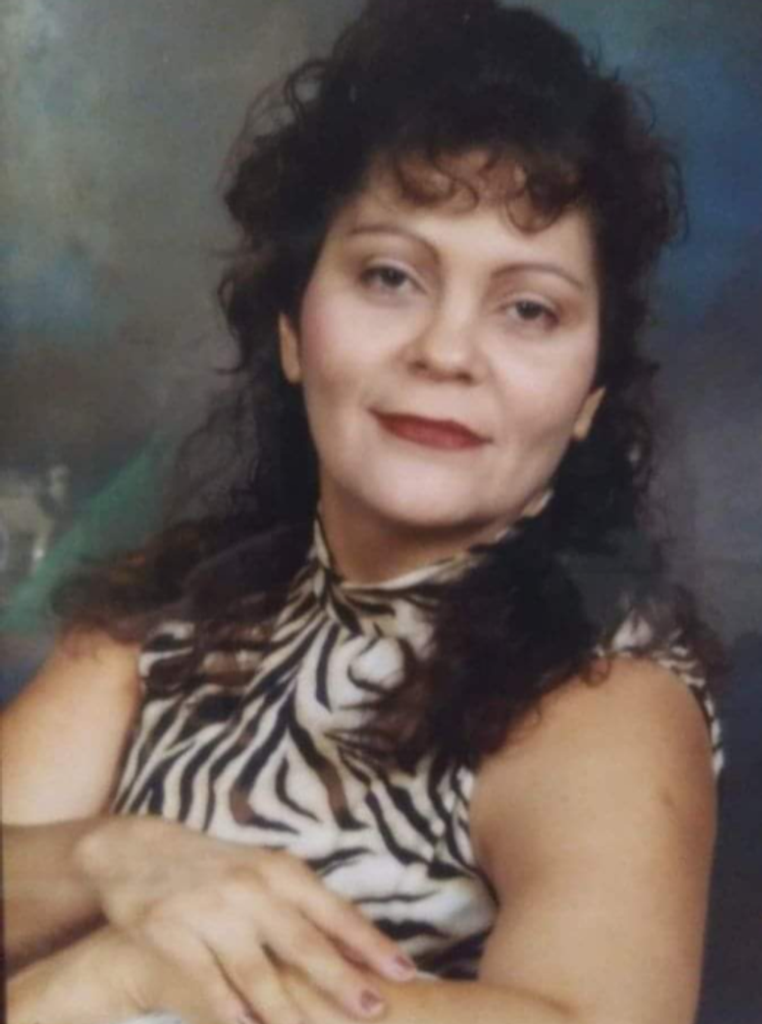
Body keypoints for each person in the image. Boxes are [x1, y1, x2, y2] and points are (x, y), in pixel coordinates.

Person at [3, 1, 724, 1022]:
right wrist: (114, 858)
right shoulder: (159, 630)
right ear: (294, 331)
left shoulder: (603, 696)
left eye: (529, 308)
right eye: (390, 276)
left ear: (588, 401)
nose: (446, 351)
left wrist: (127, 978)